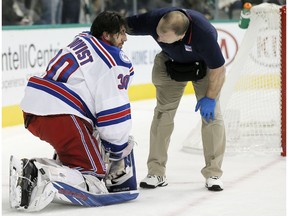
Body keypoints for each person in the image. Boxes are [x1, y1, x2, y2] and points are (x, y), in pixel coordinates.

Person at [9, 11, 138, 212]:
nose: (125, 38)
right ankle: (41, 173)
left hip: (36, 110)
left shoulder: (84, 40)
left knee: (81, 153)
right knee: (93, 176)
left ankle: (32, 168)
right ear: (106, 35)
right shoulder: (113, 60)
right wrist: (118, 148)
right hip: (61, 115)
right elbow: (113, 113)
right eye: (121, 33)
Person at [126, 7, 226, 191]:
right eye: (157, 34)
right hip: (169, 62)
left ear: (181, 36)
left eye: (163, 37)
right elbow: (120, 26)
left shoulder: (203, 35)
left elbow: (219, 69)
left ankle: (213, 173)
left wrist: (210, 98)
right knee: (162, 114)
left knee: (211, 118)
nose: (158, 39)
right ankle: (156, 172)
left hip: (203, 67)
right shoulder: (153, 19)